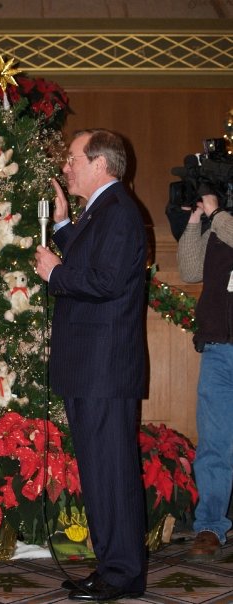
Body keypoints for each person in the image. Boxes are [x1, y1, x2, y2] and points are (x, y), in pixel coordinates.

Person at [35, 129, 147, 602]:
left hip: (105, 368)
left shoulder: (119, 212)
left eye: (73, 159)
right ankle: (111, 567)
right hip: (92, 367)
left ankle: (122, 573)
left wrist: (55, 272)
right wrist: (62, 226)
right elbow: (93, 260)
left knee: (112, 472)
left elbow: (104, 280)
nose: (66, 167)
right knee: (101, 471)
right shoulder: (104, 210)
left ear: (99, 163)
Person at [177, 193, 233, 561]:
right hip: (218, 347)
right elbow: (190, 269)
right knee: (214, 442)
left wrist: (217, 214)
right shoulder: (221, 222)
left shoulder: (225, 220)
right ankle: (211, 525)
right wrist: (197, 220)